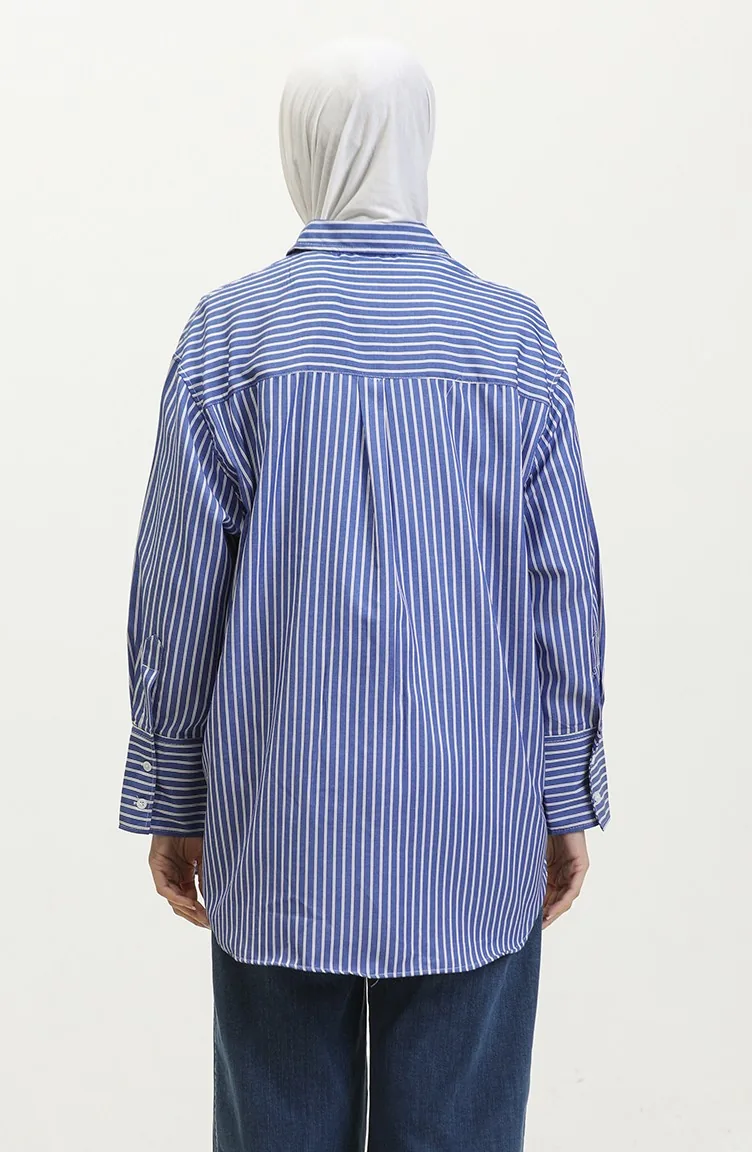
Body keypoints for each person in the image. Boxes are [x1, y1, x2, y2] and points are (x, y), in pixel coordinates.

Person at [118, 34, 611, 1152]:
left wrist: (175, 794)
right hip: (474, 818)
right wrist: (561, 792)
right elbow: (563, 585)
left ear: (298, 149)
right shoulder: (511, 339)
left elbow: (178, 588)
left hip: (279, 819)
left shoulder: (230, 335)